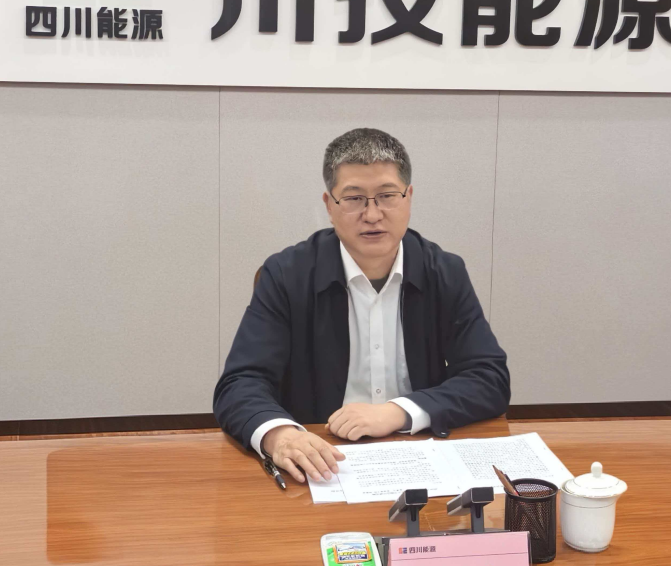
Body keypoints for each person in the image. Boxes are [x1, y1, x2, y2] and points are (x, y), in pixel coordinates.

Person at [213, 128, 509, 485]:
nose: (372, 215)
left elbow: (488, 378)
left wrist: (397, 412)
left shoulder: (444, 272)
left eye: (387, 196)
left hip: (420, 457)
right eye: (354, 198)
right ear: (329, 206)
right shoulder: (287, 275)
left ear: (409, 198)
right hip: (322, 465)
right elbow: (240, 383)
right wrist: (281, 436)